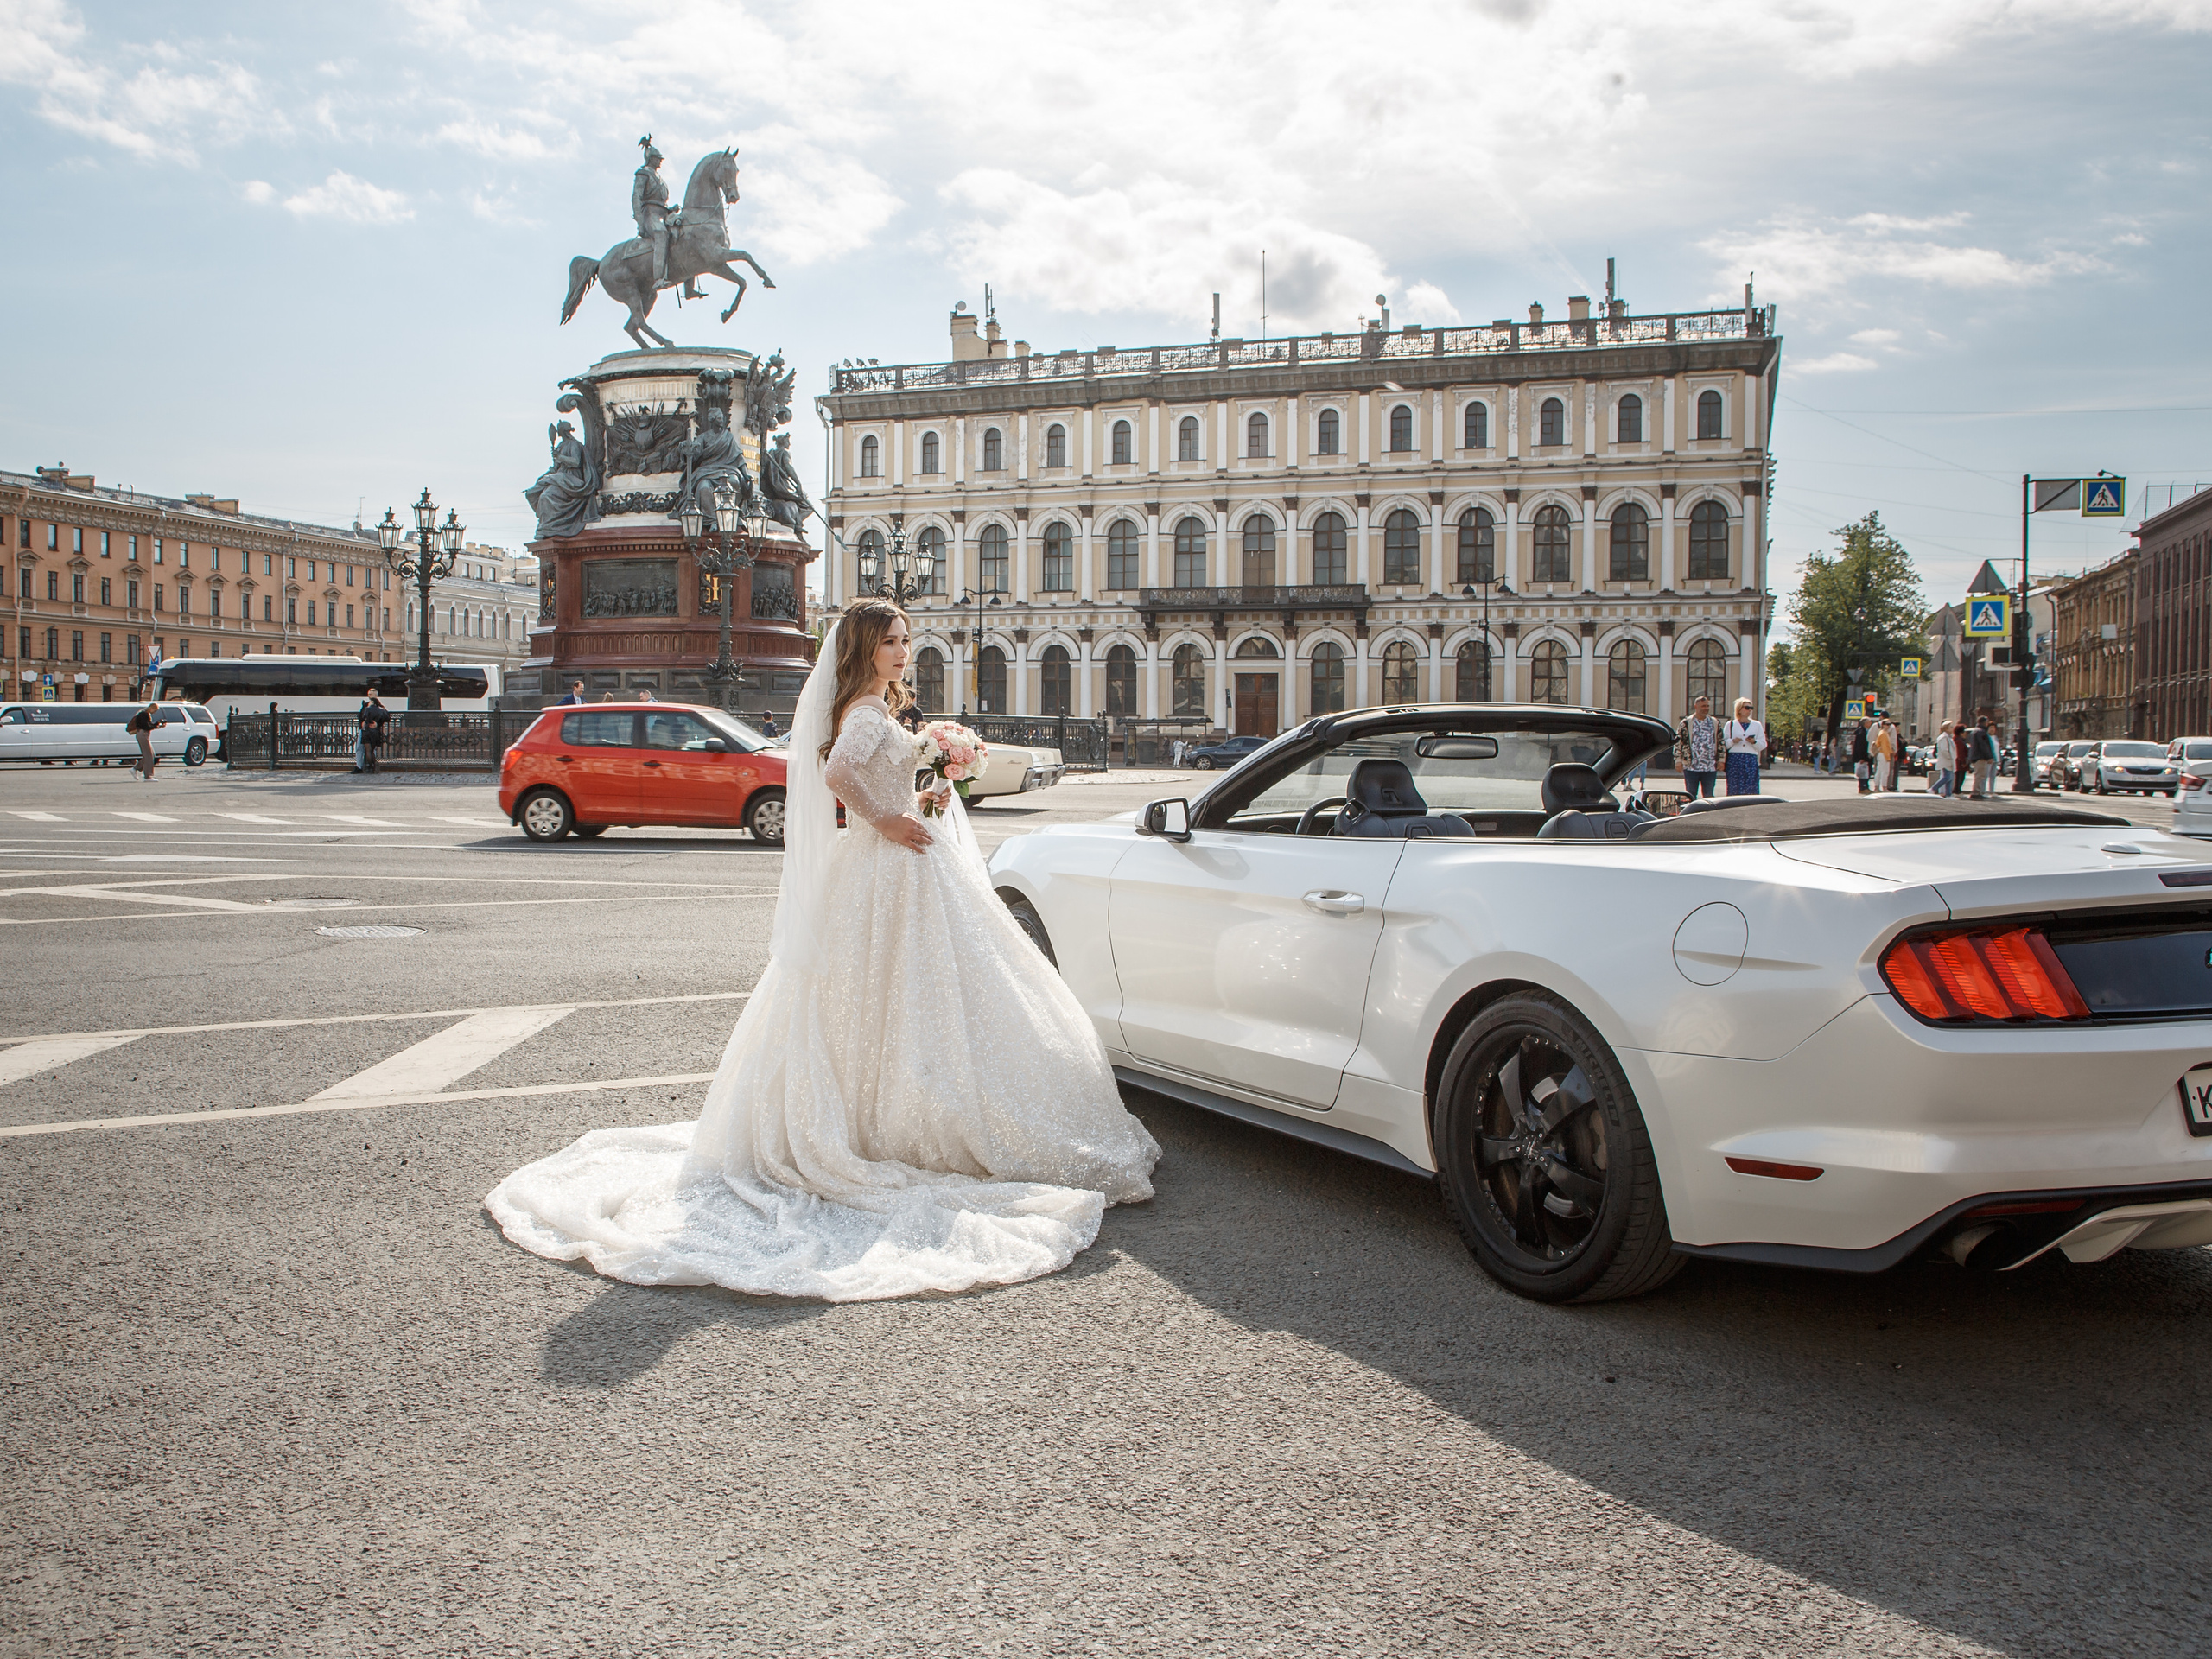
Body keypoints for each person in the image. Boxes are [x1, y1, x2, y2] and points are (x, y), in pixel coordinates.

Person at [486, 599, 1160, 1301]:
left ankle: (901, 1107)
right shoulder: (865, 713)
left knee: (910, 985)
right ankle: (898, 1118)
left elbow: (869, 773)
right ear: (864, 647)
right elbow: (839, 776)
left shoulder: (875, 705)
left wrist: (932, 776)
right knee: (905, 983)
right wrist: (891, 818)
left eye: (906, 640)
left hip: (901, 863)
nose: (904, 650)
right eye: (892, 641)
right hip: (887, 861)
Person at [1675, 694, 1720, 800]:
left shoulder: (1714, 722)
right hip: (1691, 766)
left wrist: (1721, 759)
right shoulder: (1686, 723)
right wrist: (1678, 760)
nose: (1706, 709)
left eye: (1707, 706)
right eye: (1703, 706)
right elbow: (1679, 742)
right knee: (1691, 794)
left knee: (1709, 796)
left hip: (1710, 766)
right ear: (1696, 706)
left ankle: (1707, 815)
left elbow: (1720, 741)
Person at [1724, 699, 1767, 796]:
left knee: (1750, 786)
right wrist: (1733, 741)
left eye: (1751, 708)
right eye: (1747, 708)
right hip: (1735, 759)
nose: (1749, 710)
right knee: (1734, 786)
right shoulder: (1731, 725)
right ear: (1739, 709)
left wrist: (1754, 742)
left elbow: (1763, 744)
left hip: (1750, 759)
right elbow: (1724, 744)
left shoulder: (1757, 725)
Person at [124, 702, 162, 781]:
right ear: (152, 708)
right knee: (148, 755)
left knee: (151, 754)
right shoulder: (144, 714)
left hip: (142, 734)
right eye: (155, 710)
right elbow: (146, 726)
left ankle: (135, 769)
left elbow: (147, 725)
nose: (155, 712)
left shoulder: (143, 713)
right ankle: (148, 776)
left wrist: (156, 725)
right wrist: (156, 725)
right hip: (143, 734)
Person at [355, 690, 390, 774]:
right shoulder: (381, 708)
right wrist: (377, 724)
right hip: (374, 731)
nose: (369, 696)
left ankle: (363, 766)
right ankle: (371, 766)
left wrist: (365, 723)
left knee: (364, 748)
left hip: (366, 731)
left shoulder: (368, 707)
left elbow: (362, 716)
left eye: (370, 694)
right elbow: (386, 717)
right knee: (370, 750)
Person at [1969, 717, 1998, 798]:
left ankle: (1977, 791)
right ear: (1984, 722)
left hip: (1976, 756)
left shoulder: (1975, 731)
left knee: (1979, 774)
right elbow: (1983, 745)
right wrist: (1989, 756)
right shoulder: (1981, 732)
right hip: (1981, 757)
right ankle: (1976, 792)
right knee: (1980, 775)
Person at [1930, 721, 1956, 797]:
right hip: (1946, 761)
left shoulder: (1949, 737)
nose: (1952, 729)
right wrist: (1950, 757)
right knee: (1947, 777)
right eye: (1951, 727)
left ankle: (1948, 794)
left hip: (1949, 761)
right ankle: (1933, 788)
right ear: (1946, 728)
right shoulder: (1943, 738)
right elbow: (1944, 750)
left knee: (1950, 778)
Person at [1849, 719, 1872, 793]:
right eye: (1869, 722)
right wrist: (1862, 757)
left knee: (1866, 772)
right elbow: (1860, 746)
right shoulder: (1861, 733)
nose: (1871, 723)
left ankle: (1865, 786)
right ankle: (1863, 787)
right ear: (1865, 724)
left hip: (1864, 756)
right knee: (1862, 772)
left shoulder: (1865, 731)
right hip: (1862, 756)